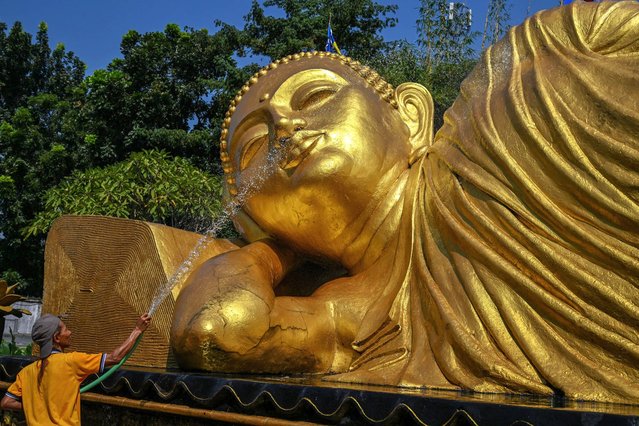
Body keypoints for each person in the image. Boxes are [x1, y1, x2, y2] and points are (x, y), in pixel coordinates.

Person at [167, 0, 637, 404]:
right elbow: (216, 332)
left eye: (315, 96)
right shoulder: (355, 311)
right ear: (250, 214)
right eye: (254, 146)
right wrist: (270, 251)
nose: (285, 129)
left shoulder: (508, 96)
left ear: (410, 117)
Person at [1, 313, 151, 425]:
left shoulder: (26, 372)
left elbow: (6, 402)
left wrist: (34, 407)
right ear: (57, 338)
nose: (70, 332)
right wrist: (137, 330)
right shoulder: (71, 362)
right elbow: (115, 358)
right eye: (66, 329)